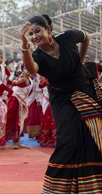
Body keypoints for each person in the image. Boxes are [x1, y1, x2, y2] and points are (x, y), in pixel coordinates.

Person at [20, 14, 102, 193]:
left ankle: (90, 187)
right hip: (62, 99)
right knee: (68, 140)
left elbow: (86, 37)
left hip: (85, 90)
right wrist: (24, 45)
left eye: (37, 31)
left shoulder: (67, 37)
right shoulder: (37, 55)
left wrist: (80, 59)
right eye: (30, 34)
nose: (34, 36)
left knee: (92, 137)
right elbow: (32, 69)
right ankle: (58, 189)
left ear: (48, 29)